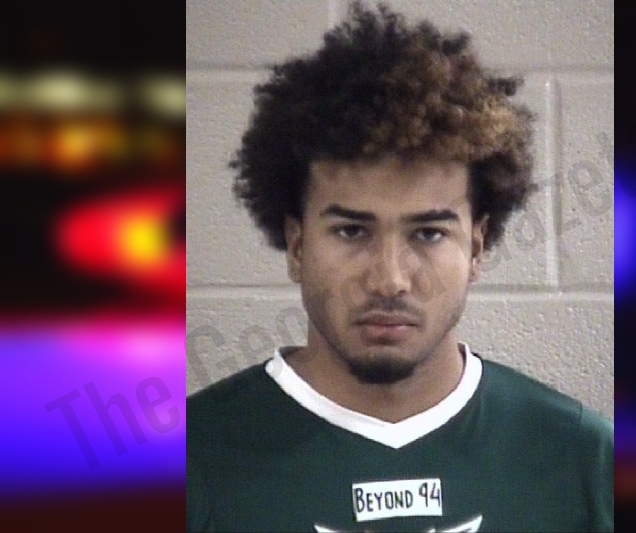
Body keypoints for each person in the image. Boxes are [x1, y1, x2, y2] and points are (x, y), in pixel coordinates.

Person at [187, 2, 613, 531]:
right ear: (297, 246)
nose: (389, 279)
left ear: (476, 247)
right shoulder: (190, 460)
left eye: (429, 233)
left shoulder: (581, 458)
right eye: (351, 231)